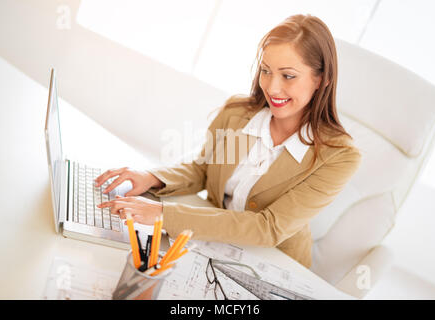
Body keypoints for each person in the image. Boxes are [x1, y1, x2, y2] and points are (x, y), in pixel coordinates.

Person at [94, 14, 362, 269]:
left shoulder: (338, 156)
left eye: (288, 76)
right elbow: (202, 169)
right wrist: (151, 177)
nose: (272, 87)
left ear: (322, 79)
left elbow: (267, 228)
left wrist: (165, 215)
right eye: (266, 71)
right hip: (209, 243)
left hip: (274, 262)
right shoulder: (238, 113)